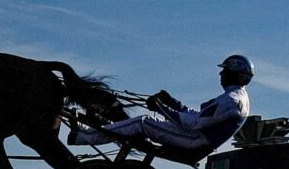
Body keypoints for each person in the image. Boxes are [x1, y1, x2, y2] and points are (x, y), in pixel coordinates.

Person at [78, 54, 255, 160]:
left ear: (235, 74)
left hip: (194, 141)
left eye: (225, 70)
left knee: (143, 122)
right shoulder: (235, 98)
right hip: (196, 138)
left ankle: (86, 136)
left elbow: (193, 123)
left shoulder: (231, 100)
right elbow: (198, 117)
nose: (221, 73)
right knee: (145, 122)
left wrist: (160, 108)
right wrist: (172, 103)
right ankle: (90, 133)